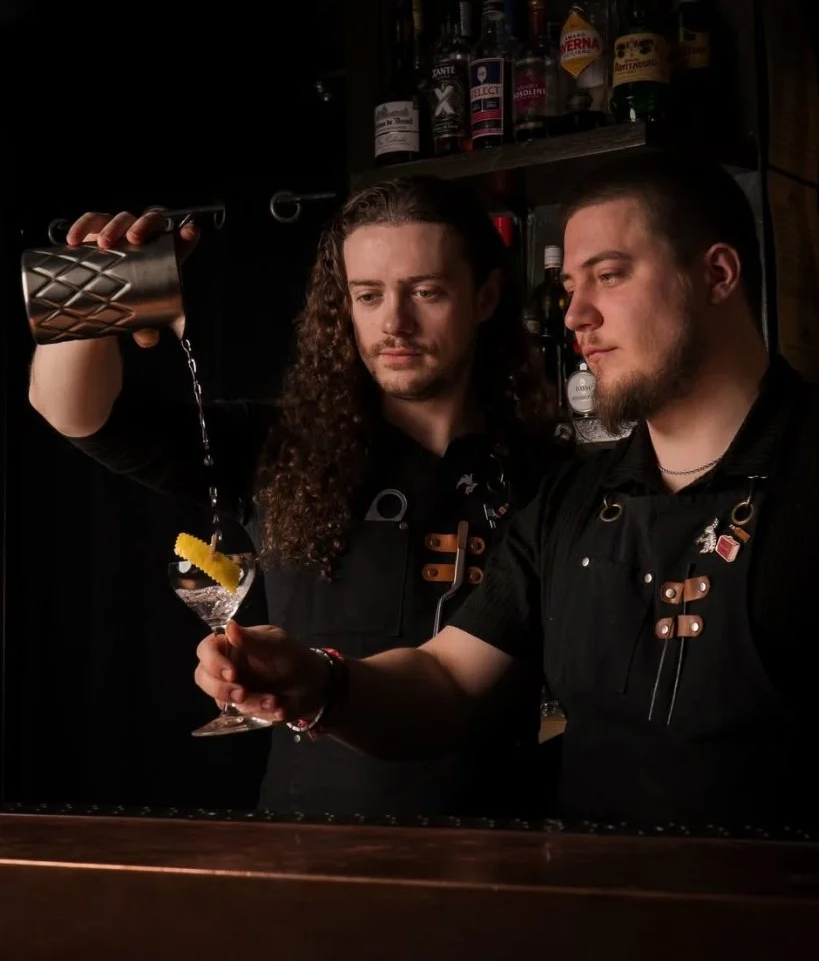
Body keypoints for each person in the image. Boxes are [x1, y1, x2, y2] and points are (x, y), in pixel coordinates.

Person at [193, 152, 819, 829]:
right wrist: (317, 684)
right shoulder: (570, 500)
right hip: (590, 916)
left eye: (608, 276)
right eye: (569, 284)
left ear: (716, 274)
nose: (575, 313)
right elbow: (449, 680)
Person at [29, 175, 567, 819]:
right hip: (306, 844)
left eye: (426, 292)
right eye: (368, 296)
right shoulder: (283, 445)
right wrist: (95, 286)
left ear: (485, 297)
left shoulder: (552, 476)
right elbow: (76, 414)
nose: (394, 322)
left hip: (504, 852)